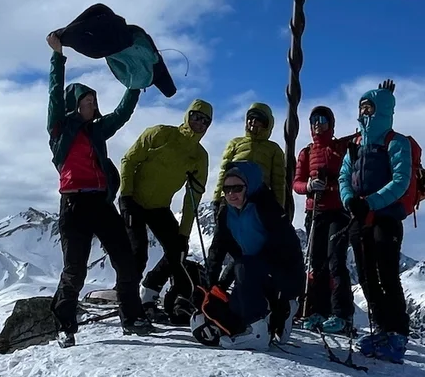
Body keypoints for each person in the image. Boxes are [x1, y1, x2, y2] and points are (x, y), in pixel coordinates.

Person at [45, 31, 149, 347]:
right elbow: (54, 92)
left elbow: (121, 114)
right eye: (87, 102)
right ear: (75, 105)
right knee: (74, 270)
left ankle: (132, 317)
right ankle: (65, 326)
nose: (92, 106)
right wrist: (57, 56)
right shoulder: (59, 129)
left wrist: (135, 86)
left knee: (125, 259)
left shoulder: (97, 130)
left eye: (93, 102)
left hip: (101, 204)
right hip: (74, 205)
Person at [117, 98, 215, 325]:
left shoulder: (199, 156)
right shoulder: (160, 134)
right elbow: (129, 160)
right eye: (196, 117)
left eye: (205, 121)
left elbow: (193, 197)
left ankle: (149, 291)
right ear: (187, 115)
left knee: (178, 251)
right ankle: (129, 308)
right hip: (134, 200)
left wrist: (184, 233)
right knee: (137, 253)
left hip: (159, 207)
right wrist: (126, 197)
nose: (199, 123)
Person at [339, 80, 412, 362]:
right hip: (360, 216)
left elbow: (401, 181)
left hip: (386, 217)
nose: (363, 112)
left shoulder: (396, 142)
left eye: (368, 107)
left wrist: (368, 202)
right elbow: (344, 176)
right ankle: (382, 329)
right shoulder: (355, 144)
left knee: (387, 274)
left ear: (380, 109)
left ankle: (397, 334)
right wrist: (349, 200)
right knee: (367, 276)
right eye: (361, 107)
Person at [196, 162, 306, 350]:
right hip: (254, 270)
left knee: (244, 269)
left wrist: (247, 268)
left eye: (237, 188)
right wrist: (211, 285)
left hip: (284, 271)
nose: (231, 193)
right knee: (237, 308)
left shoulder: (266, 207)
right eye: (227, 189)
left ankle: (258, 332)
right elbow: (217, 249)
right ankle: (282, 312)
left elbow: (285, 247)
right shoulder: (226, 213)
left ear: (250, 186)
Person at [292, 105, 358, 335]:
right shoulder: (306, 153)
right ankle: (318, 310)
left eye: (322, 120)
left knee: (336, 261)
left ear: (331, 124)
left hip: (338, 212)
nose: (318, 124)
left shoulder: (341, 147)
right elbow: (296, 182)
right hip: (315, 212)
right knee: (318, 262)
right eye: (314, 121)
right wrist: (309, 186)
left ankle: (341, 314)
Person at [211, 103, 288, 214]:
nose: (253, 121)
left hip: (259, 200)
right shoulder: (235, 143)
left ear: (266, 123)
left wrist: (279, 208)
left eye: (258, 119)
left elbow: (278, 182)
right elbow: (224, 172)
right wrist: (217, 199)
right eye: (251, 118)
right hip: (231, 196)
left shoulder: (273, 149)